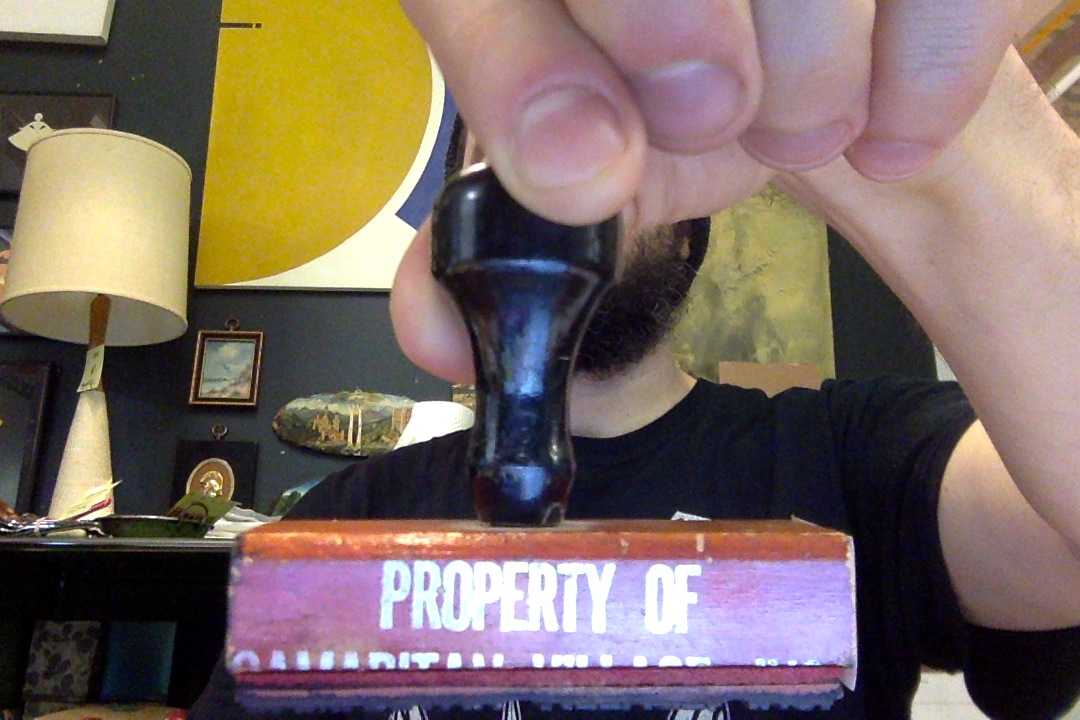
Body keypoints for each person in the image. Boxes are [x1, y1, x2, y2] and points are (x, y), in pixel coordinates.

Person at [191, 3, 1080, 718]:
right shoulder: (346, 519)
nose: (574, 168)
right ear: (450, 225)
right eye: (505, 149)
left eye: (634, 124)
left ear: (694, 222)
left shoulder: (854, 456)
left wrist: (931, 140)